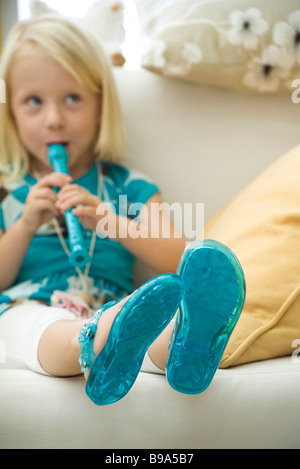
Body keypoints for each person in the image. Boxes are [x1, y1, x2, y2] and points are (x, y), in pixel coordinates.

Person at [0, 15, 245, 406]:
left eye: (73, 98)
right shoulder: (9, 193)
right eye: (34, 101)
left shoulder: (127, 187)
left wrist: (109, 221)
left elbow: (175, 258)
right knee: (34, 327)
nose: (54, 118)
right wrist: (26, 223)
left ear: (100, 107)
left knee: (146, 327)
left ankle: (183, 347)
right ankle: (97, 342)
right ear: (11, 114)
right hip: (29, 304)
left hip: (118, 306)